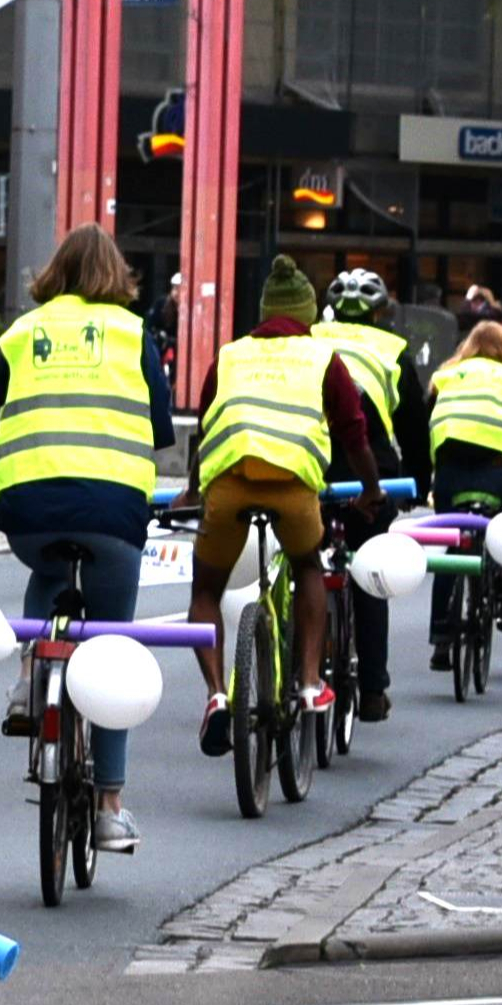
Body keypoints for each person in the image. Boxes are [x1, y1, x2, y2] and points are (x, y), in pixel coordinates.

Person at [0, 224, 169, 855]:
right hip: (110, 516)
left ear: (54, 273)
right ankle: (109, 805)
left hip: (27, 510)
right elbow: (161, 427)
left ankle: (31, 677)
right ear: (118, 277)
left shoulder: (21, 335)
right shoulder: (135, 334)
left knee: (47, 570)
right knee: (111, 648)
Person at [191, 257, 379, 754]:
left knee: (207, 588)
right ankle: (312, 681)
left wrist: (193, 489)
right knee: (307, 566)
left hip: (229, 483)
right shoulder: (322, 358)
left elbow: (207, 426)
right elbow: (354, 434)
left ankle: (215, 695)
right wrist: (372, 491)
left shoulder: (231, 355)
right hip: (294, 488)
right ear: (307, 313)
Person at [313, 267, 422, 721]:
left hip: (315, 460)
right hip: (370, 470)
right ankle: (373, 690)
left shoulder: (313, 338)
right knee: (369, 574)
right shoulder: (394, 349)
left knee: (304, 565)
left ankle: (295, 670)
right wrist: (420, 481)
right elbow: (415, 426)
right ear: (380, 313)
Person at [421, 318, 502, 665]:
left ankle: (441, 638)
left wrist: (421, 477)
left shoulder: (444, 377)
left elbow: (425, 427)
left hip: (449, 475)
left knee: (453, 547)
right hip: (496, 473)